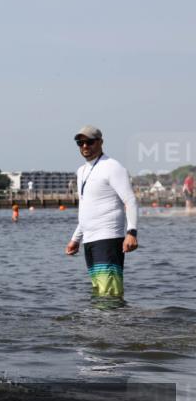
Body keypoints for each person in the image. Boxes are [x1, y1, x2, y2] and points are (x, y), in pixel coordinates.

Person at [64, 126, 138, 298]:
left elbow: (130, 201)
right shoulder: (81, 171)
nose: (84, 146)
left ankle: (116, 324)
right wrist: (76, 238)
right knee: (99, 293)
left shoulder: (112, 167)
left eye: (89, 141)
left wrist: (131, 232)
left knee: (109, 294)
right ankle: (101, 326)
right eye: (80, 142)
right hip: (89, 240)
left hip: (108, 238)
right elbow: (87, 208)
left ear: (100, 142)